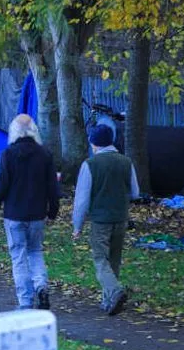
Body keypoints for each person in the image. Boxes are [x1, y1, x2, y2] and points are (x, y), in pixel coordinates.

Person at [0, 114, 60, 310]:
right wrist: (52, 212)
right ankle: (41, 286)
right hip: (37, 214)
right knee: (35, 252)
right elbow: (53, 186)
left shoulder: (8, 155)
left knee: (18, 257)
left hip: (14, 214)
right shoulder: (45, 155)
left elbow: (0, 186)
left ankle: (25, 302)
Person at [72, 124, 140, 316]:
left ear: (94, 144)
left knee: (100, 259)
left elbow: (82, 199)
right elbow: (135, 191)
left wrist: (77, 226)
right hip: (120, 217)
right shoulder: (126, 162)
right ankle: (109, 300)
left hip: (100, 220)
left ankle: (115, 291)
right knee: (114, 259)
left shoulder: (90, 165)